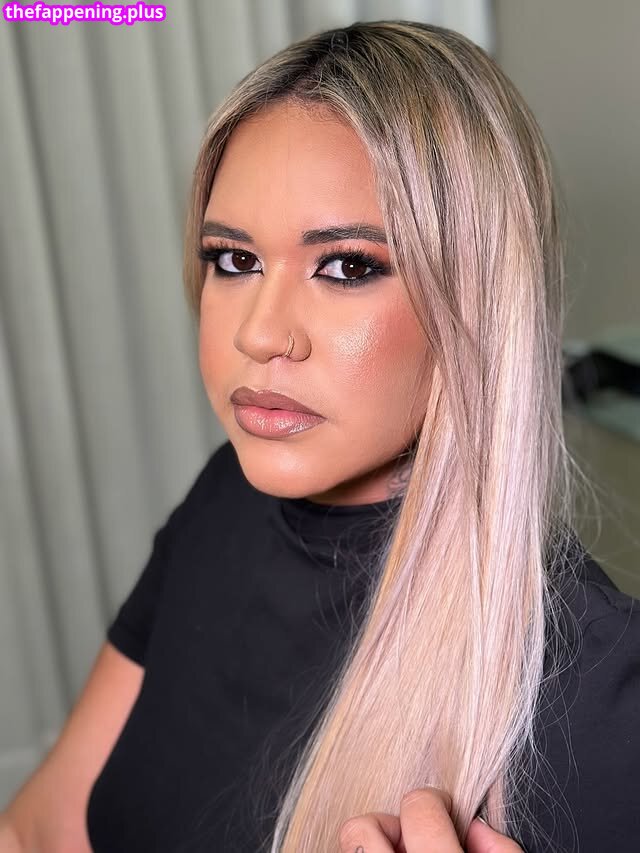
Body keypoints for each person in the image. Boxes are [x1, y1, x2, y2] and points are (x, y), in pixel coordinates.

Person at [1, 18, 639, 853]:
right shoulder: (225, 498)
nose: (260, 332)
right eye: (234, 260)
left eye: (345, 266)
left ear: (479, 301)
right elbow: (39, 828)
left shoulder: (598, 690)